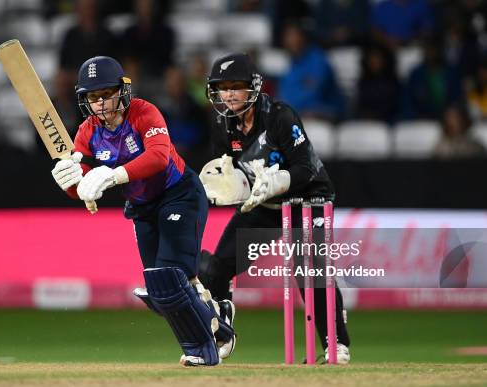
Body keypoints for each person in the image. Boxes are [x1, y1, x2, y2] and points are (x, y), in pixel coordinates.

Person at [49, 56, 235, 367]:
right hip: (142, 207)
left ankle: (202, 349)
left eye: (106, 94)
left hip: (180, 195)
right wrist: (69, 181)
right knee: (161, 294)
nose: (101, 104)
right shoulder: (86, 132)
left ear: (121, 91)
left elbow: (159, 158)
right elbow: (79, 182)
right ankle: (219, 319)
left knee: (170, 277)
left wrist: (112, 175)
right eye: (93, 97)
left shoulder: (144, 113)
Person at [198, 53, 351, 364]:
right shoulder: (220, 123)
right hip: (262, 203)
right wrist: (233, 187)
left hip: (308, 199)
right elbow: (230, 170)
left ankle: (336, 345)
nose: (228, 94)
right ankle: (222, 335)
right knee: (217, 267)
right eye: (222, 87)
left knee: (309, 272)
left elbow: (305, 168)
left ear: (253, 87)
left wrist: (277, 181)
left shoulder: (280, 116)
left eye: (235, 86)